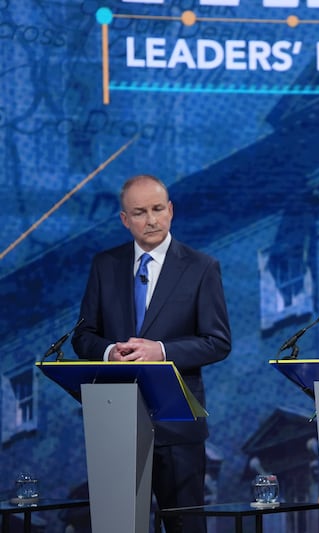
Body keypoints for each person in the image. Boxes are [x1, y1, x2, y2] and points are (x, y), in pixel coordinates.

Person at [72, 174, 232, 533]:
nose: (152, 220)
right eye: (140, 212)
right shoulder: (105, 266)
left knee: (185, 525)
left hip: (177, 425)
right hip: (117, 421)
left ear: (171, 210)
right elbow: (83, 336)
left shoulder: (201, 267)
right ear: (125, 220)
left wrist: (160, 351)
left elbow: (218, 341)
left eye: (158, 209)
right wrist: (111, 351)